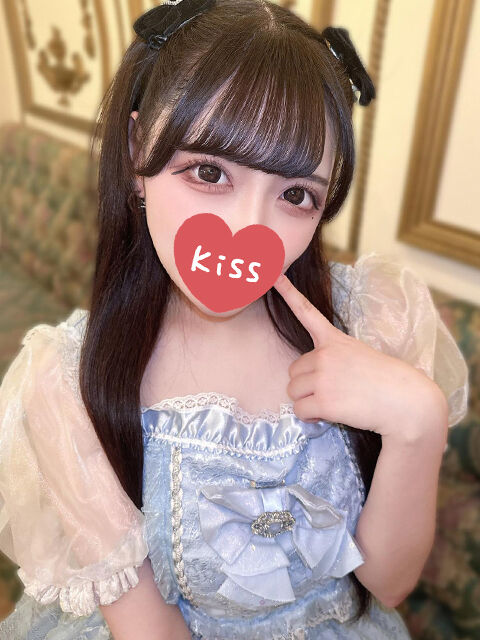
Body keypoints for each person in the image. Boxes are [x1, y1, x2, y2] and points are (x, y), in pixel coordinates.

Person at [0, 0, 469, 638]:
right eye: (209, 172)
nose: (250, 229)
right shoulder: (65, 381)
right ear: (136, 151)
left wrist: (418, 421)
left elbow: (388, 584)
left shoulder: (374, 321)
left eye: (296, 194)